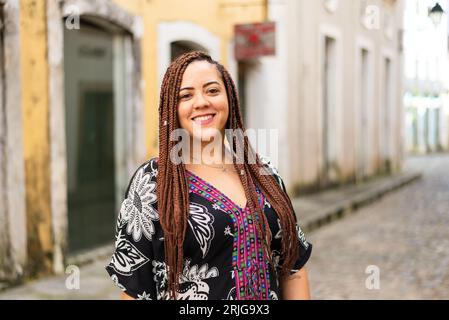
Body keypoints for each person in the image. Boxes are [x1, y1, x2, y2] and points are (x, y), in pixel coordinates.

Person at [105, 51, 312, 300]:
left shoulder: (264, 175)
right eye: (186, 95)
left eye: (212, 91)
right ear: (173, 107)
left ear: (230, 98)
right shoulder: (151, 183)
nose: (202, 102)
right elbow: (134, 290)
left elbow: (292, 268)